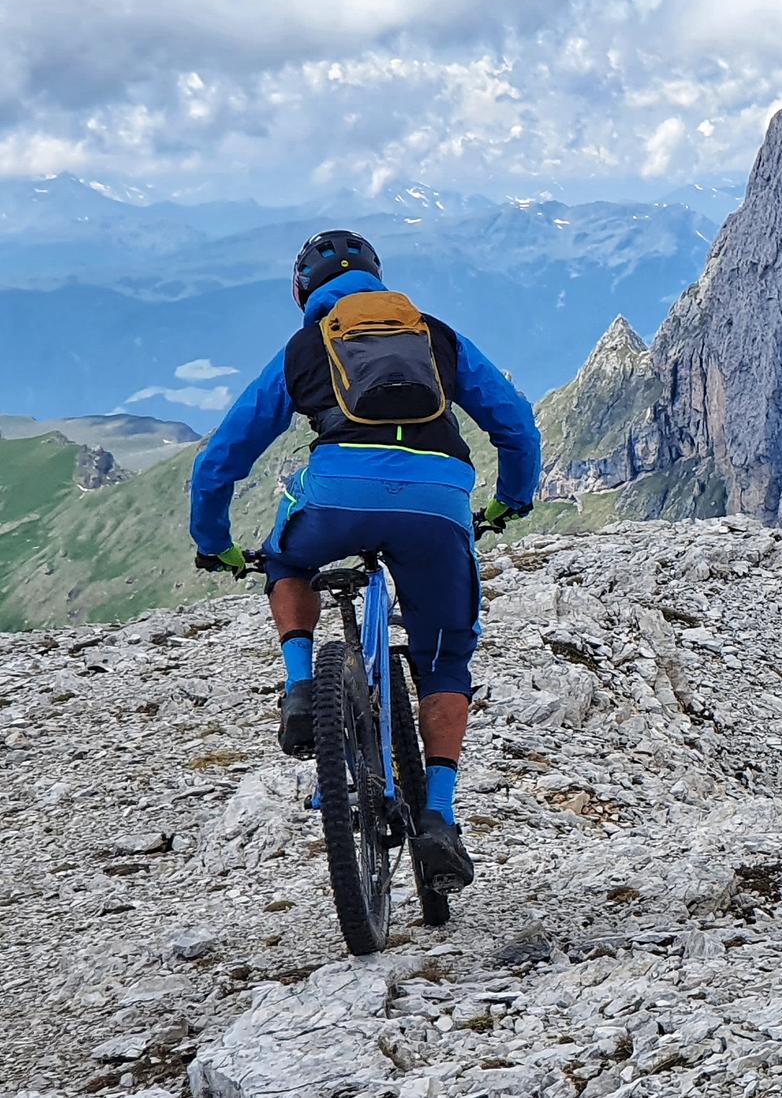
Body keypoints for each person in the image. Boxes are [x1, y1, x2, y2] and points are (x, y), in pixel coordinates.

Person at [188, 230, 540, 894]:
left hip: (337, 495)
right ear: (379, 279)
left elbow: (220, 461)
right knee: (446, 659)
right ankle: (438, 815)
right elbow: (516, 426)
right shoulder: (434, 335)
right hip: (440, 503)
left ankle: (299, 685)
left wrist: (214, 542)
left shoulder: (305, 347)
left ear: (303, 293)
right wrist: (511, 502)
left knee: (287, 561)